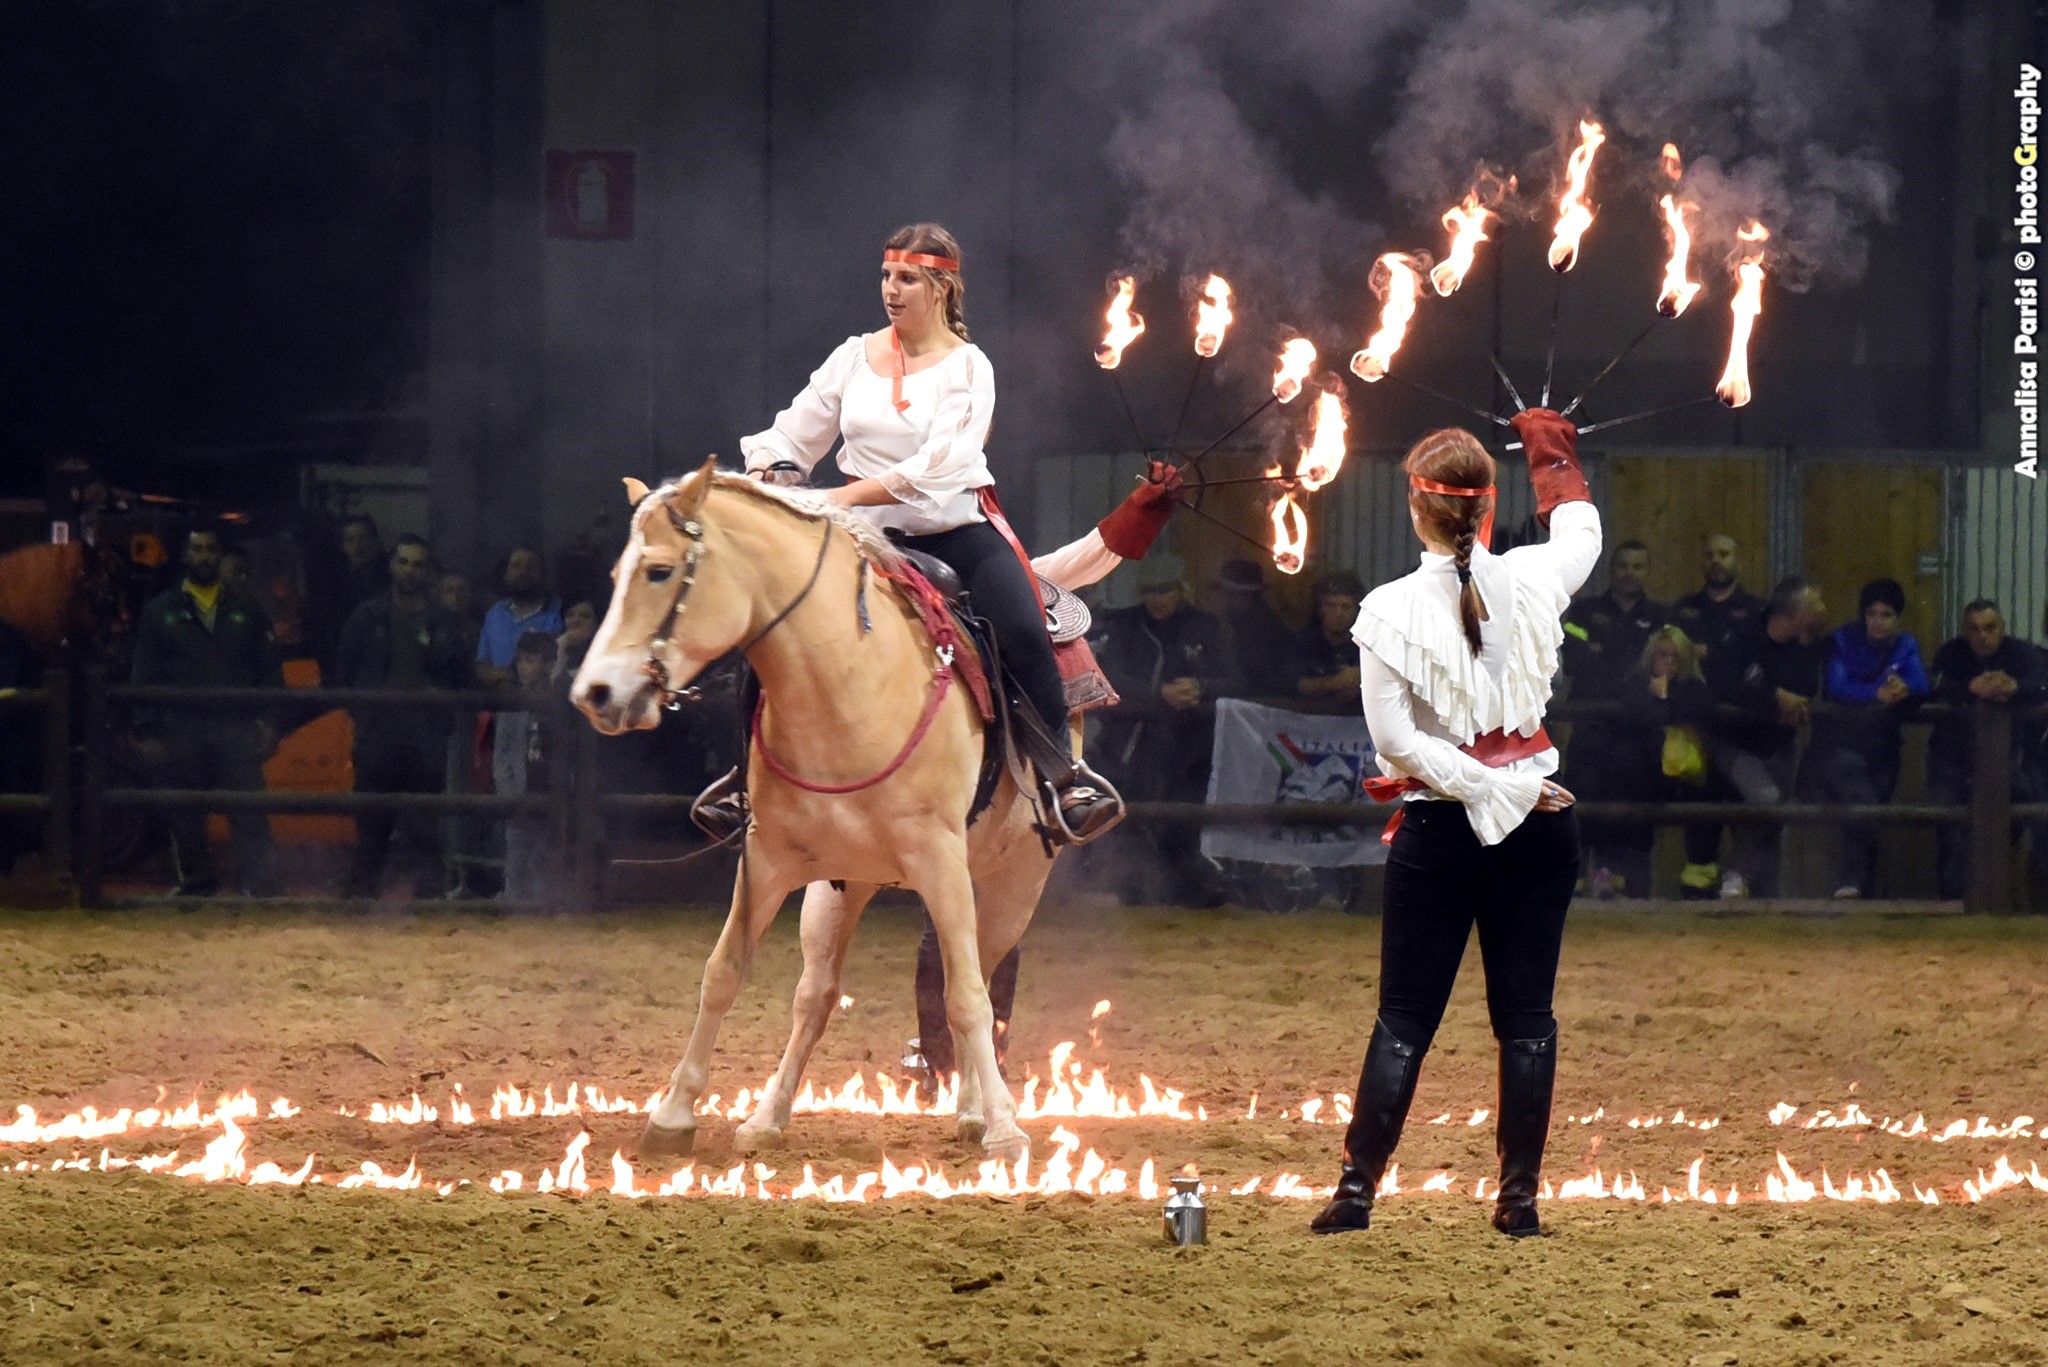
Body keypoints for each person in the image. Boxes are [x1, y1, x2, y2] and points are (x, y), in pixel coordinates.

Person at [1311, 409, 1598, 1239]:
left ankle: (1356, 1195)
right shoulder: (1540, 576)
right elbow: (1580, 526)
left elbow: (1396, 743)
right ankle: (1518, 1202)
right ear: (1489, 504)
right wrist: (1551, 449)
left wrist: (1478, 789)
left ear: (1415, 508)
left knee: (1406, 1015)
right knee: (1527, 1015)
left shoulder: (1386, 608)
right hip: (1540, 820)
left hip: (1442, 831)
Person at [736, 221, 1118, 841]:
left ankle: (1061, 778)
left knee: (1021, 626)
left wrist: (837, 495)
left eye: (907, 278)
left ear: (941, 288)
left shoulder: (969, 368)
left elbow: (936, 468)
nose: (892, 289)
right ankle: (742, 784)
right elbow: (790, 433)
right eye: (887, 275)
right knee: (770, 629)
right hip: (861, 537)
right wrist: (777, 469)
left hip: (951, 530)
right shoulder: (851, 357)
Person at [129, 528, 284, 896]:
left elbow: (270, 672)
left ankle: (257, 886)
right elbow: (144, 673)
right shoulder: (160, 611)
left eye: (211, 550)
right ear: (185, 555)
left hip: (236, 726)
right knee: (184, 812)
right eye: (197, 549)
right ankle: (196, 884)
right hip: (181, 728)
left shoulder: (246, 609)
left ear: (220, 556)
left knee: (248, 811)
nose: (204, 557)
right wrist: (147, 728)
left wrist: (272, 721)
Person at [332, 533, 472, 897]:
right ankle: (362, 904)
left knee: (426, 829)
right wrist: (367, 712)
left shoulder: (444, 622)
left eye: (418, 564)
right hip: (379, 737)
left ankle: (426, 905)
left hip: (426, 740)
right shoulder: (368, 616)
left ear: (428, 572)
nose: (410, 570)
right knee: (372, 828)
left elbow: (463, 677)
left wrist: (440, 706)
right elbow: (342, 674)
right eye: (404, 562)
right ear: (392, 566)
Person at [1089, 551, 1233, 905]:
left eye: (1165, 590)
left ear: (1181, 590)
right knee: (1129, 814)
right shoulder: (1123, 626)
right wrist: (1158, 694)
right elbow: (1108, 675)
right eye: (1150, 591)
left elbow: (1234, 677)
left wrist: (1201, 687)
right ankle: (1131, 883)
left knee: (1184, 815)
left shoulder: (1205, 627)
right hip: (1131, 743)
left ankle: (1183, 883)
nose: (1158, 599)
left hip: (1191, 744)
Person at [1693, 577, 1829, 899]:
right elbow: (1722, 685)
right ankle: (1736, 876)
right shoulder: (1743, 637)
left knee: (1776, 816)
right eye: (1815, 605)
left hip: (1778, 743)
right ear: (1795, 612)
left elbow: (1806, 691)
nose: (1823, 611)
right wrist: (1774, 698)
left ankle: (1765, 894)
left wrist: (1791, 700)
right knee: (1767, 800)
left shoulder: (1806, 646)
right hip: (1732, 741)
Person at [1806, 579, 1930, 898]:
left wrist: (1906, 689)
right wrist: (1878, 693)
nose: (1878, 620)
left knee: (1871, 814)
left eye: (1886, 614)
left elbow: (1920, 681)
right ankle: (1852, 883)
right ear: (1863, 615)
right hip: (1840, 746)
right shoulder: (1841, 641)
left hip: (1883, 748)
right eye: (1872, 613)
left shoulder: (1905, 644)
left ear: (1897, 618)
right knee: (1864, 808)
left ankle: (1861, 890)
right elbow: (1836, 687)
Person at [1562, 540, 1669, 896]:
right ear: (1611, 570)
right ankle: (1577, 884)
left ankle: (1634, 886)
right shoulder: (1583, 612)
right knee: (1582, 803)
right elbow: (1576, 661)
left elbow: (1665, 666)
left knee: (1636, 808)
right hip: (1592, 730)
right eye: (1623, 566)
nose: (1630, 573)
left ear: (1647, 571)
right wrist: (1632, 669)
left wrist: (1603, 653)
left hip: (1640, 733)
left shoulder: (1661, 618)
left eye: (1638, 566)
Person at [1926, 600, 2048, 900]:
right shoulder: (1950, 653)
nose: (1982, 636)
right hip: (1951, 762)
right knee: (1949, 825)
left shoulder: (2022, 653)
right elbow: (1934, 685)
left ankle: (2004, 900)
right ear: (1964, 632)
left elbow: (2041, 683)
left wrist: (2014, 686)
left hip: (2009, 762)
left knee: (2021, 815)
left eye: (1990, 628)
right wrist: (1970, 686)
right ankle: (1954, 903)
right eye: (1974, 629)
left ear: (2002, 629)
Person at [1588, 626, 1717, 898]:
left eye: (1674, 656)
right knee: (1617, 779)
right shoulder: (1634, 686)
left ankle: (1698, 883)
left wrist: (1664, 697)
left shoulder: (1696, 689)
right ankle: (1628, 880)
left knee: (1711, 795)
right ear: (1650, 657)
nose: (1668, 662)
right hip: (1644, 779)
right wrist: (1656, 700)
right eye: (1662, 655)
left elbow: (1699, 711)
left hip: (1686, 779)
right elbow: (1636, 717)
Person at [494, 631, 559, 903]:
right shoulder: (512, 702)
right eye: (520, 661)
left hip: (546, 786)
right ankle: (515, 899)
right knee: (517, 848)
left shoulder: (557, 702)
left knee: (545, 850)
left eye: (531, 661)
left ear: (547, 664)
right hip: (519, 788)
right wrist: (507, 790)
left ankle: (542, 899)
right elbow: (503, 752)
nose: (523, 667)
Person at [475, 548, 565, 687]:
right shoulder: (495, 612)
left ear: (543, 574)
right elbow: (482, 664)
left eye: (531, 566)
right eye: (516, 566)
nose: (523, 572)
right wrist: (503, 676)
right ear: (506, 575)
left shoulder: (560, 611)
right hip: (501, 699)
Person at [1671, 533, 1765, 663]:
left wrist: (1709, 652)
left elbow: (1760, 658)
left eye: (1724, 554)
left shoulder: (1757, 610)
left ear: (1738, 562)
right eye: (1709, 555)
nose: (1715, 560)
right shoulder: (1683, 608)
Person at [1209, 558, 1294, 699]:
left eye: (1232, 594)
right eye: (1226, 593)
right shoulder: (1242, 624)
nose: (1225, 600)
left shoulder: (1262, 631)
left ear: (1249, 596)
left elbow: (1250, 682)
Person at [1287, 570, 1366, 704]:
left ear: (1356, 611)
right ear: (1320, 608)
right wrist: (1335, 683)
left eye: (1345, 607)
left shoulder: (1367, 645)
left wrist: (1361, 680)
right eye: (1330, 605)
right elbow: (1290, 683)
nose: (1338, 613)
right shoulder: (1304, 642)